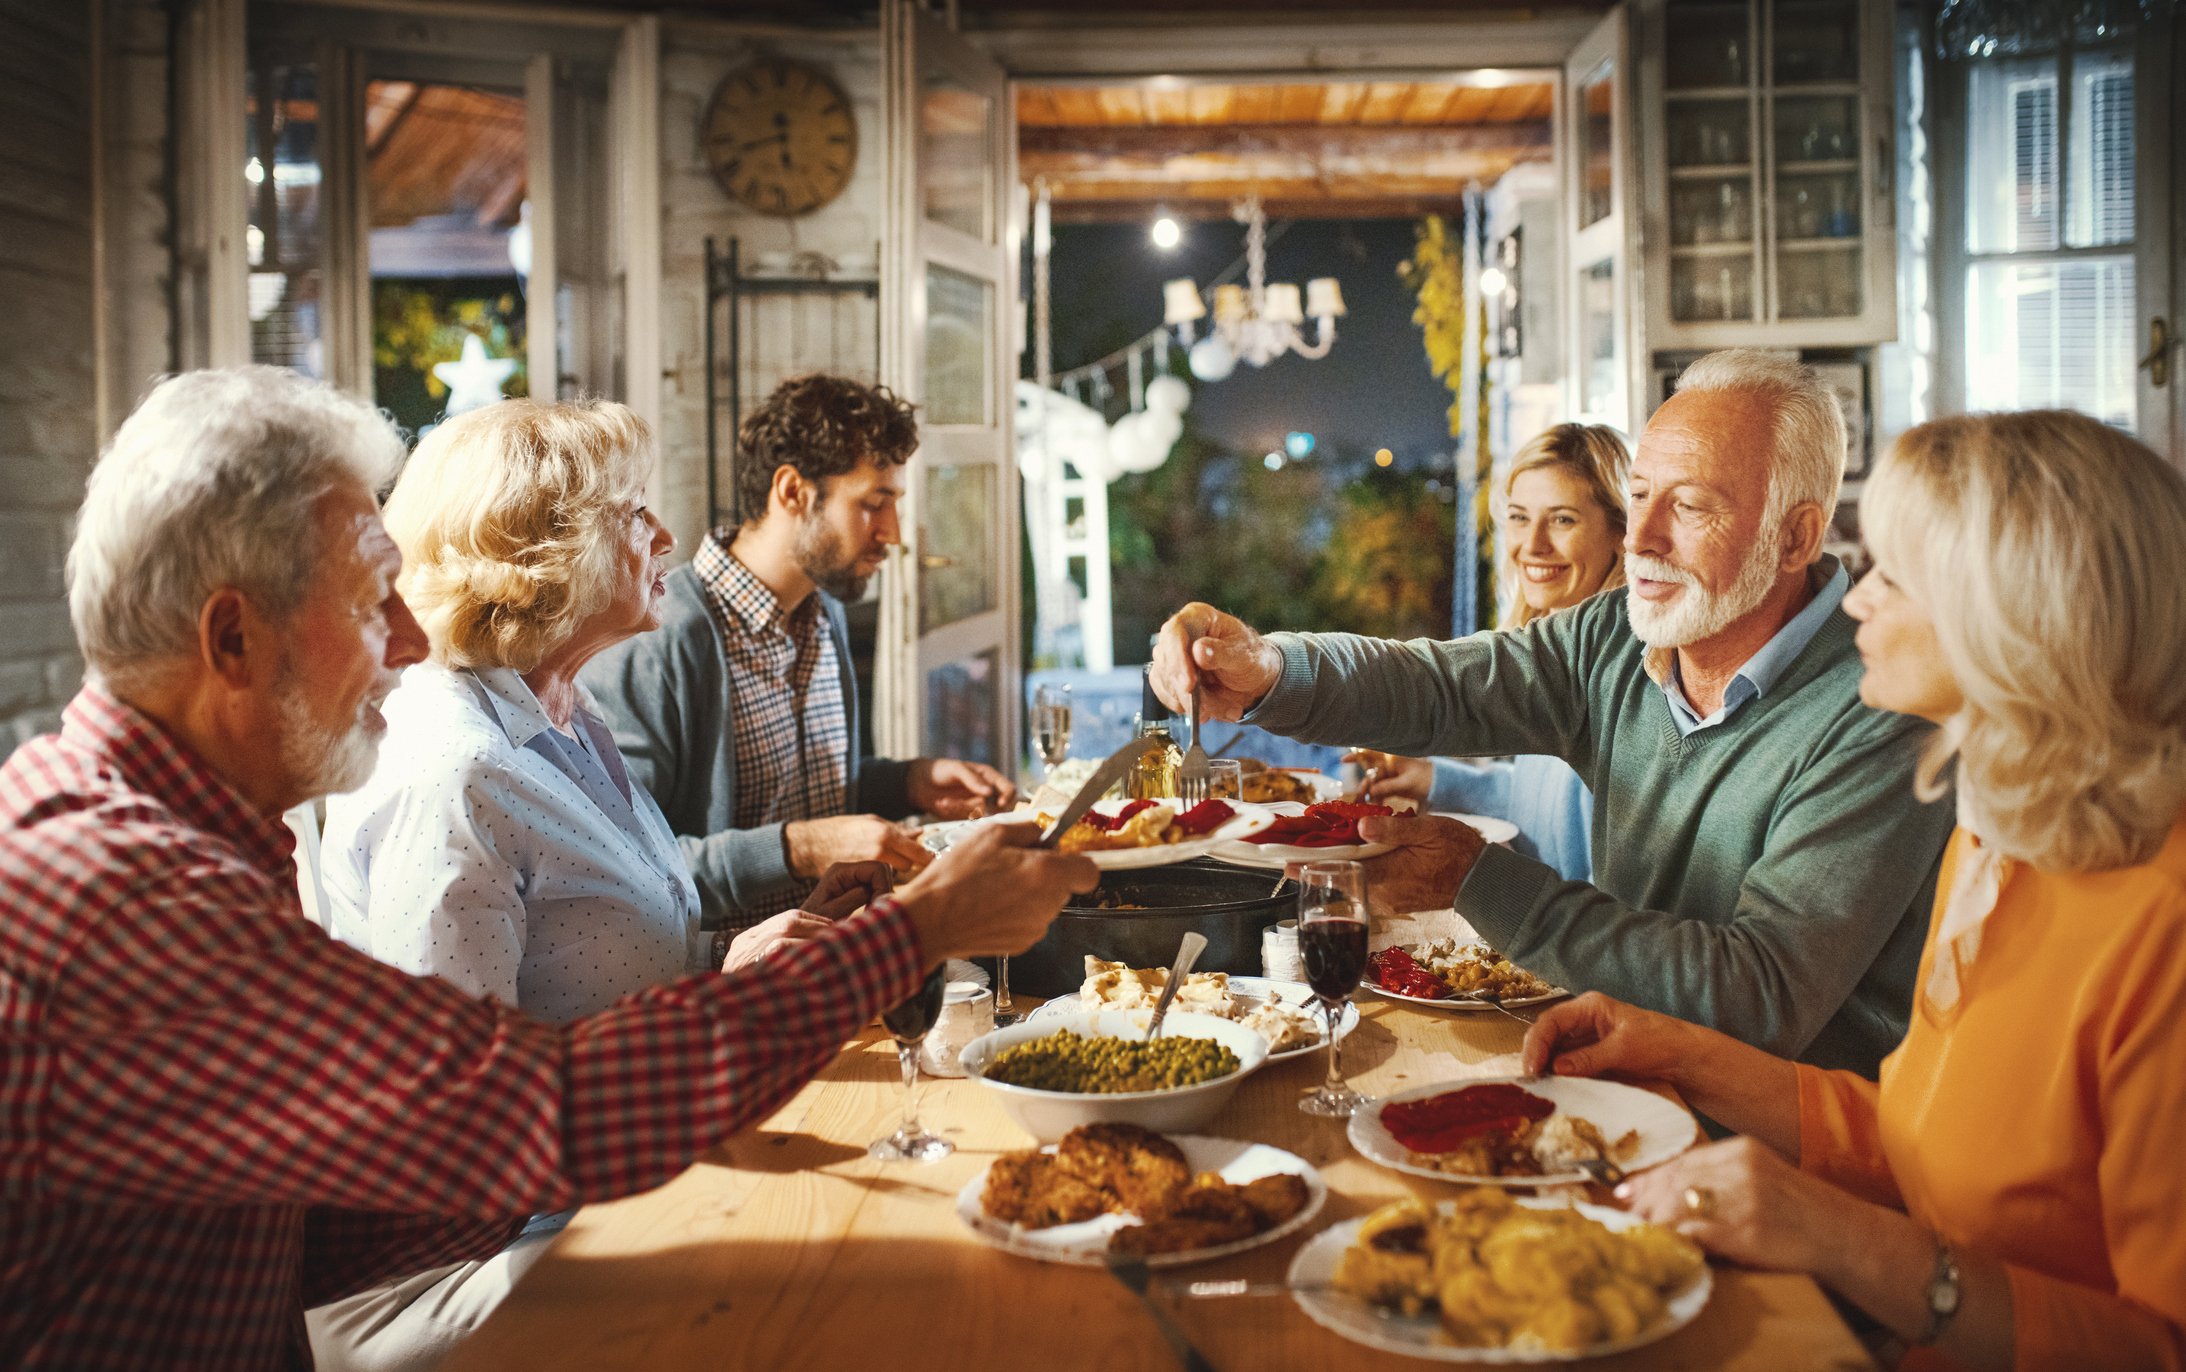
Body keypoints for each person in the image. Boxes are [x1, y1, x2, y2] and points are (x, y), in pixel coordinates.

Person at [0, 367, 1097, 1370]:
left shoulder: (155, 837)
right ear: (232, 638)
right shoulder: (127, 900)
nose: (412, 638)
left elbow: (343, 1192)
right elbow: (523, 1113)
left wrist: (721, 1007)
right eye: (368, 596)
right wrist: (909, 934)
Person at [1519, 411, 2186, 1369]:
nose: (1854, 601)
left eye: (1892, 576)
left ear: (2018, 622)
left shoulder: (2162, 925)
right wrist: (1684, 1052)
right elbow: (1928, 1145)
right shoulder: (2004, 845)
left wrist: (1838, 1235)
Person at [1151, 350, 1956, 1075]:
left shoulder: (1885, 699)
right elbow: (1437, 684)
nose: (1641, 537)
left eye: (1692, 507)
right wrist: (1267, 668)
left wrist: (1478, 880)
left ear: (1795, 538)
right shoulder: (1614, 635)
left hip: (1790, 1163)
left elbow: (1761, 994)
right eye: (1639, 495)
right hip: (1620, 1077)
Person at [309, 399, 879, 1370]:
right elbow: (462, 1123)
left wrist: (734, 954)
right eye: (632, 512)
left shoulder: (564, 719)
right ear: (536, 552)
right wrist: (732, 1004)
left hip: (607, 1187)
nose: (665, 535)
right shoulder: (457, 772)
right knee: (834, 1280)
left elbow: (594, 963)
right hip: (482, 1256)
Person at [583, 373, 1012, 934]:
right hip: (729, 994)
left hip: (837, 969)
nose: (894, 531)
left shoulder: (823, 611)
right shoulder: (659, 642)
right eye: (874, 504)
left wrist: (910, 781)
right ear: (791, 492)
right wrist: (796, 849)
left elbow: (798, 787)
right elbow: (626, 864)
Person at [1347, 422, 1630, 882]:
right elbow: (1549, 803)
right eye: (1519, 517)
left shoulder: (1623, 671)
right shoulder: (1547, 653)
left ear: (1621, 532)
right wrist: (1435, 779)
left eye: (1562, 519)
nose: (1532, 545)